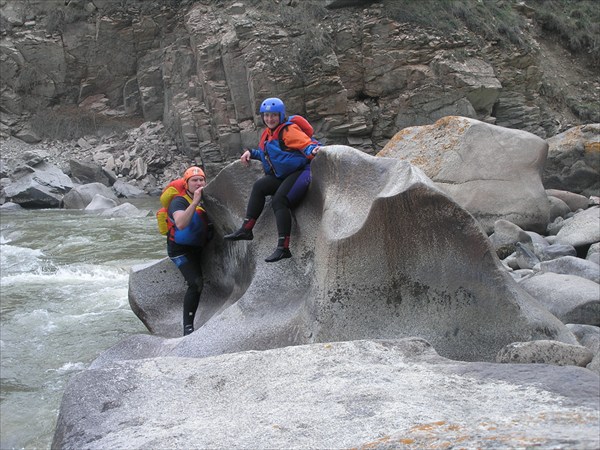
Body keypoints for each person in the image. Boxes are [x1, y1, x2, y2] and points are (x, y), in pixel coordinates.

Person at [224, 97, 320, 262]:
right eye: (266, 115)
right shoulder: (268, 134)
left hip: (302, 171)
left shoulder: (289, 130)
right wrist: (251, 153)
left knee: (279, 200)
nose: (270, 119)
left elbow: (306, 145)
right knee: (260, 186)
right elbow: (267, 154)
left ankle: (284, 248)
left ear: (281, 115)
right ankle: (246, 230)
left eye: (273, 115)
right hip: (284, 175)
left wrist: (314, 150)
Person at [166, 166, 213, 336]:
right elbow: (180, 224)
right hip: (180, 251)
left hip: (200, 246)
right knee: (196, 283)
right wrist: (195, 202)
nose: (198, 183)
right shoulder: (179, 201)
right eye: (194, 180)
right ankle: (188, 328)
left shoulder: (208, 197)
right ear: (186, 184)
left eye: (201, 179)